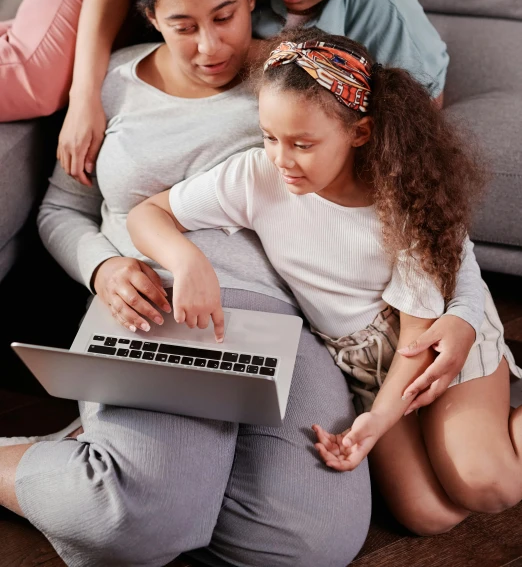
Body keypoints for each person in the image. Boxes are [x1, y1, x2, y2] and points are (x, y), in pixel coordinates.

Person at [54, 0, 485, 415]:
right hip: (164, 281)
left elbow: (418, 172)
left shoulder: (385, 16)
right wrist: (85, 94)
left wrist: (463, 307)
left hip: (303, 301)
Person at [0, 0, 372, 567]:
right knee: (136, 520)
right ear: (149, 15)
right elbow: (61, 210)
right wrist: (104, 268)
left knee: (315, 544)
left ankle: (119, 462)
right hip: (152, 302)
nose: (209, 46)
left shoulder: (293, 76)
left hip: (279, 316)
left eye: (225, 16)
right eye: (183, 26)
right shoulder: (109, 85)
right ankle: (36, 463)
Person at [127, 27, 522, 536]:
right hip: (360, 365)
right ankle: (479, 418)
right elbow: (148, 214)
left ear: (359, 132)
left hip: (423, 343)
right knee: (429, 516)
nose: (282, 159)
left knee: (487, 486)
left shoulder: (399, 199)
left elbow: (416, 336)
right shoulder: (257, 176)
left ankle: (497, 412)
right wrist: (185, 261)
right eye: (270, 137)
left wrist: (376, 423)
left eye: (303, 144)